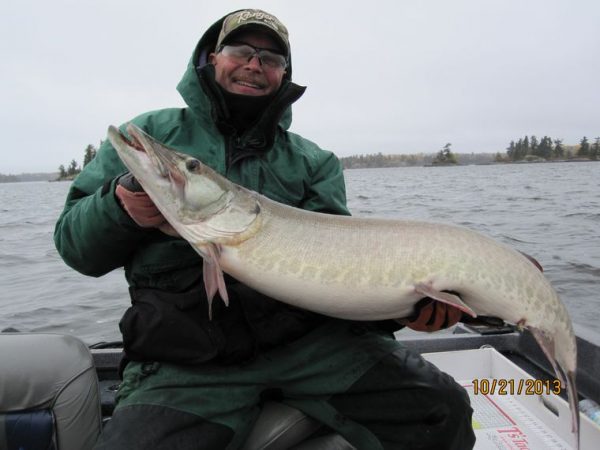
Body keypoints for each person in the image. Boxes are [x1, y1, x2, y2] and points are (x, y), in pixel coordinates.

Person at [54, 9, 475, 450]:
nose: (254, 65)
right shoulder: (151, 133)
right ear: (212, 57)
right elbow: (76, 250)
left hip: (314, 348)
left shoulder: (314, 162)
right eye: (241, 51)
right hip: (185, 362)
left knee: (442, 410)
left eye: (270, 59)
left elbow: (342, 272)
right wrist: (120, 208)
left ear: (283, 74)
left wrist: (403, 310)